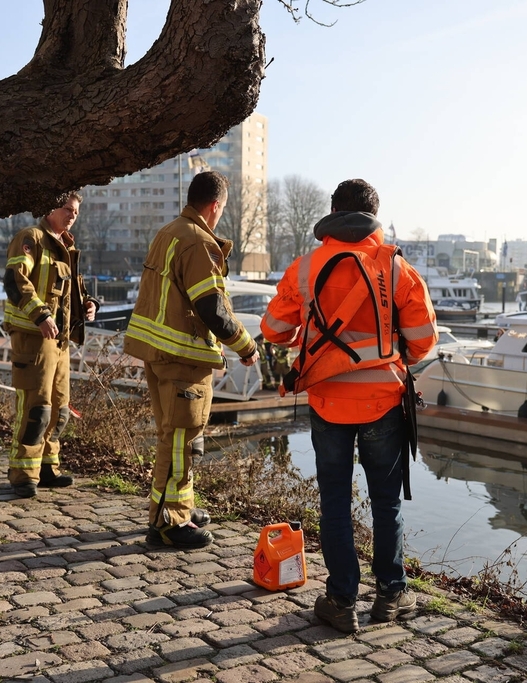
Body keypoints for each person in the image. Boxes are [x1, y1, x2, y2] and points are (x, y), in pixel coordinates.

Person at [261, 178, 437, 633]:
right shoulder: (395, 267)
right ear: (374, 215)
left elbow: (275, 329)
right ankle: (390, 596)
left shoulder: (306, 267)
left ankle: (341, 601)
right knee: (386, 503)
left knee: (335, 503)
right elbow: (423, 341)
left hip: (328, 401)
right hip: (383, 401)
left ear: (332, 213)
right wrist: (394, 355)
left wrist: (309, 333)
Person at [123, 171, 259, 550]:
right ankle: (169, 523)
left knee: (174, 437)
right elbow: (212, 307)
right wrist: (246, 346)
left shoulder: (169, 232)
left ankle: (178, 505)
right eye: (223, 209)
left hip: (159, 353)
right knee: (182, 442)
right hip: (184, 359)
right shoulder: (200, 242)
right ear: (215, 206)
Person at [3, 191, 99, 498]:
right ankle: (23, 473)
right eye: (67, 209)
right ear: (50, 208)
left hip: (59, 341)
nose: (72, 215)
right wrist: (40, 314)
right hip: (34, 337)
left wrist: (88, 304)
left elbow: (66, 292)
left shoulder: (66, 246)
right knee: (36, 408)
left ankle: (47, 467)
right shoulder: (31, 238)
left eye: (75, 211)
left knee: (60, 409)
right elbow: (15, 282)